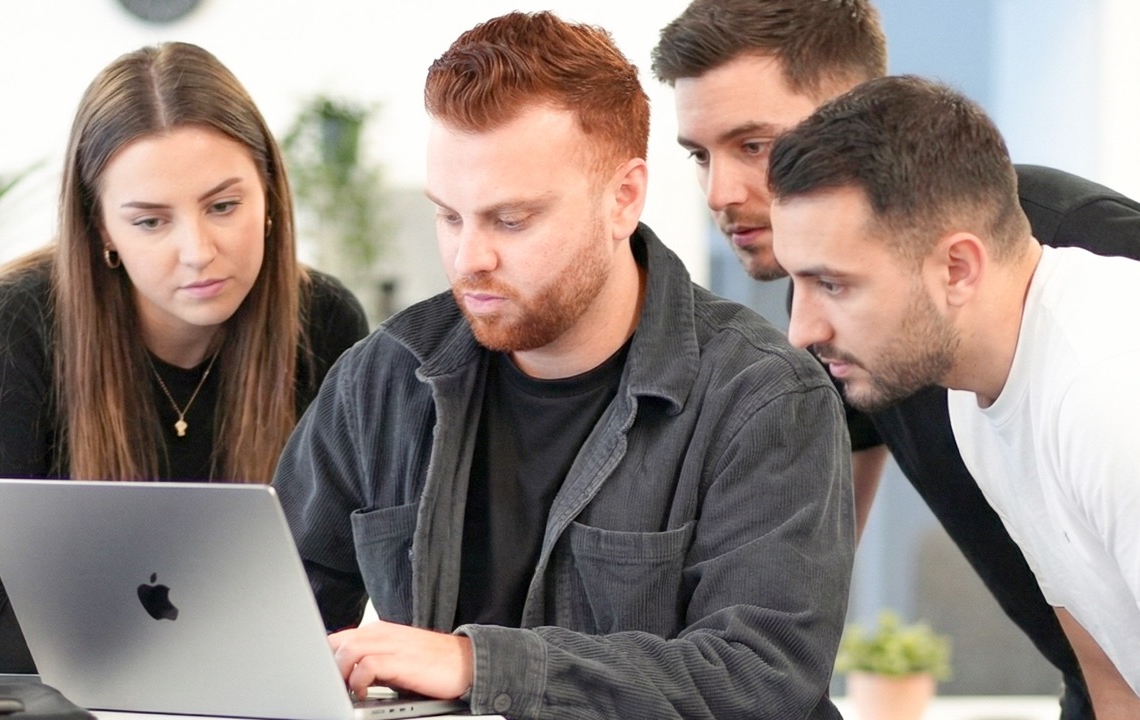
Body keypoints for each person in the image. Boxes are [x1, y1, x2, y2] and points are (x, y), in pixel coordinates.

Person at [273, 11, 854, 719]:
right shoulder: (380, 380)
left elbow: (761, 679)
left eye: (511, 220)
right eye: (449, 216)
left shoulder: (762, 397)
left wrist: (476, 664)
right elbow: (269, 631)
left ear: (623, 198)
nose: (468, 259)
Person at [652, 2, 1140, 716]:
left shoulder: (1105, 350)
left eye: (754, 145)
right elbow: (1109, 667)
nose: (723, 194)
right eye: (701, 154)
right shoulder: (973, 387)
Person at [0, 42, 369, 673]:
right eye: (150, 222)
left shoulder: (325, 321)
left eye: (224, 206)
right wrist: (212, 663)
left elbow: (323, 614)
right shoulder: (13, 323)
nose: (198, 251)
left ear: (269, 192)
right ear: (101, 227)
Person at [769, 73, 1140, 718]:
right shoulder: (979, 394)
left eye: (833, 285)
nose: (801, 331)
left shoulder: (1117, 386)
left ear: (957, 267)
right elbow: (1120, 685)